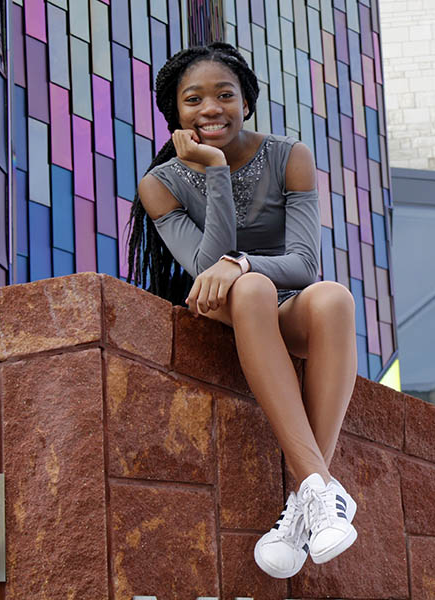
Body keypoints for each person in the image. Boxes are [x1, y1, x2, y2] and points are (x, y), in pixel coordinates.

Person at [125, 42, 359, 579]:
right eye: (193, 100)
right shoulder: (160, 185)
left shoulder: (289, 157)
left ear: (246, 103)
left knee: (336, 297)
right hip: (230, 307)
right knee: (248, 290)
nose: (211, 108)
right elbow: (207, 270)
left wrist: (243, 262)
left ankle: (306, 503)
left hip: (287, 306)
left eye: (225, 95)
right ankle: (321, 496)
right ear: (175, 115)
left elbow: (304, 264)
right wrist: (214, 172)